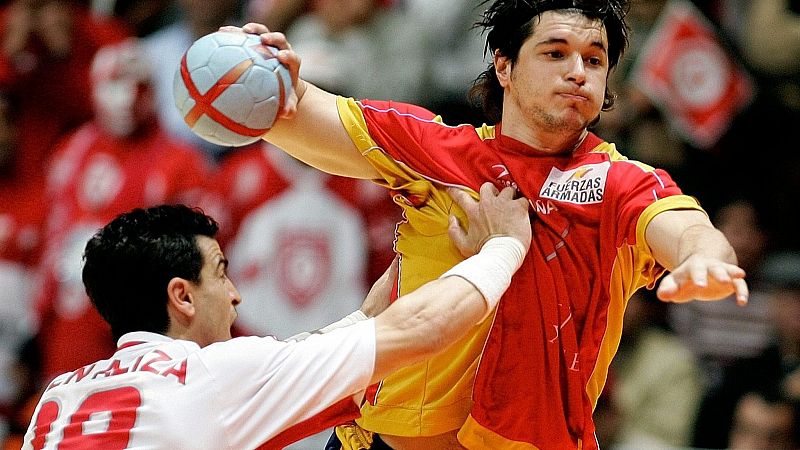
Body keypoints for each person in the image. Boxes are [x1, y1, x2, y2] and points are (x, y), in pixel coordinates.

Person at [225, 0, 750, 448]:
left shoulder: (620, 184)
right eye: (555, 53)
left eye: (595, 60)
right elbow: (296, 112)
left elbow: (688, 231)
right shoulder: (438, 151)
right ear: (504, 65)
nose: (578, 72)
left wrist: (704, 260)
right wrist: (265, 75)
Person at [21, 181, 532, 449]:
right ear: (182, 296)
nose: (236, 295)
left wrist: (424, 252)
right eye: (221, 273)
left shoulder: (58, 399)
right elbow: (420, 329)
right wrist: (505, 248)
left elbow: (359, 324)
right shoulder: (214, 375)